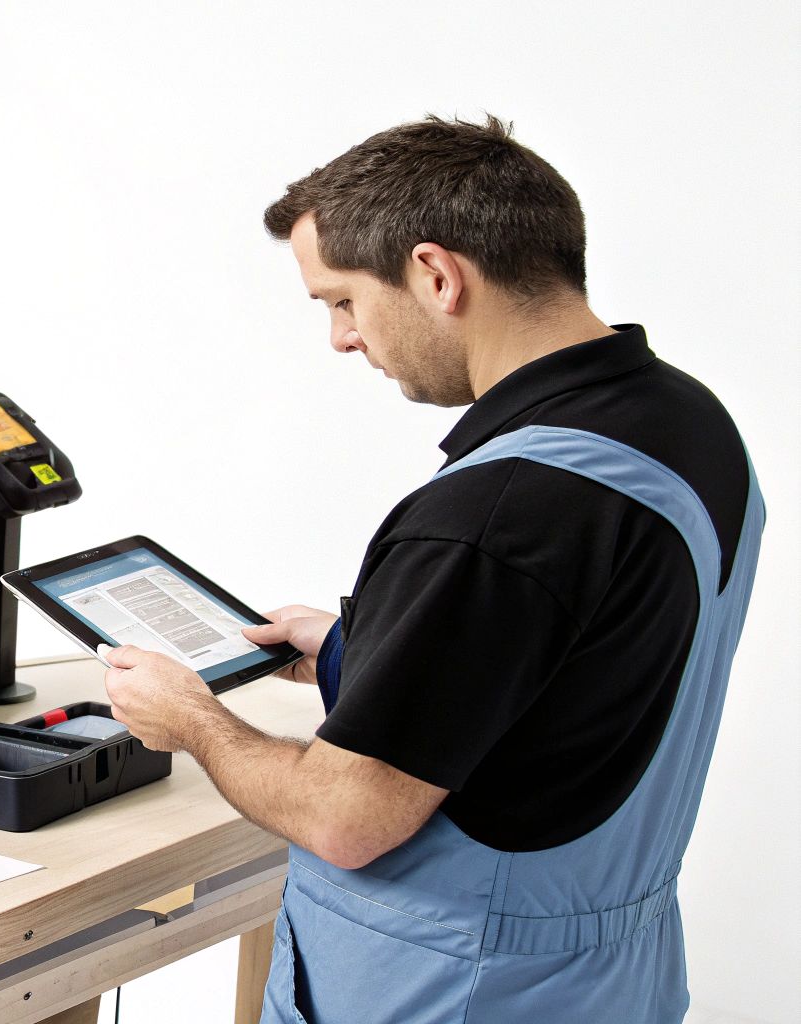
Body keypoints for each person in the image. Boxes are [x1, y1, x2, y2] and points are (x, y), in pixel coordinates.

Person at [99, 115, 765, 1023]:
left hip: (448, 991)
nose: (341, 338)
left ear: (437, 275)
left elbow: (347, 818)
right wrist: (355, 651)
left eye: (341, 300)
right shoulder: (687, 425)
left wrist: (195, 721)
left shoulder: (494, 515)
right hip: (607, 985)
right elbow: (575, 674)